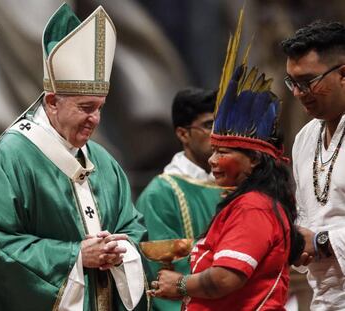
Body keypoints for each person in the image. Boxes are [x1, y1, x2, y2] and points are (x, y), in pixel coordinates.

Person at [0, 4, 146, 311]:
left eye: (100, 107)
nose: (95, 119)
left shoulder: (104, 161)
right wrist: (75, 256)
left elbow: (133, 226)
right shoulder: (14, 155)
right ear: (52, 102)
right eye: (86, 108)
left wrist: (122, 249)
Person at [147, 30, 305, 308]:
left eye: (223, 152)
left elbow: (223, 279)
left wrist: (179, 284)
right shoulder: (248, 202)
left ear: (254, 159)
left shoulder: (253, 207)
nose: (212, 159)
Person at [136, 87, 223, 311]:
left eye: (221, 123)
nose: (218, 132)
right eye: (208, 125)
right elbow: (160, 276)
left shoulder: (235, 183)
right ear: (183, 134)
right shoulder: (161, 194)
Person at [281, 20, 345, 309]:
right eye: (291, 82)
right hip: (323, 298)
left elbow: (318, 237)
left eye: (307, 82)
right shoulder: (305, 138)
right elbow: (307, 218)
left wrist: (320, 241)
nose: (297, 92)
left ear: (343, 74)